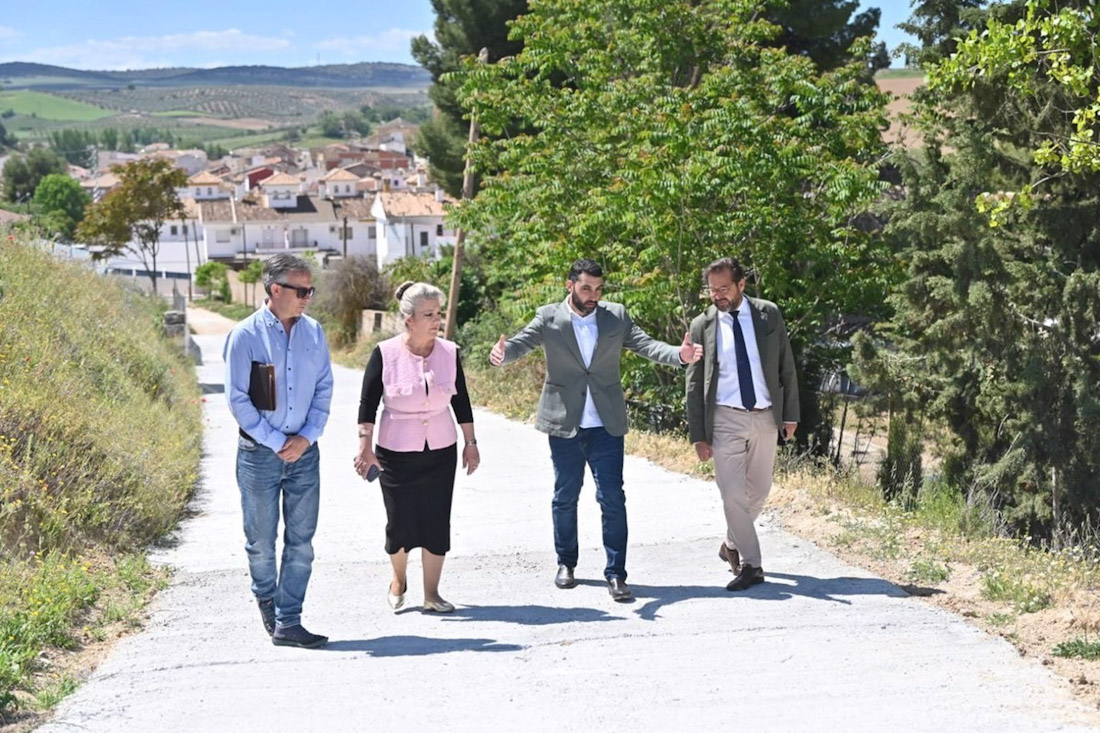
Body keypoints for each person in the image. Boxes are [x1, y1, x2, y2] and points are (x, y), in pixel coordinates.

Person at [489, 258, 702, 602]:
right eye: (586, 288)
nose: (593, 295)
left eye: (598, 289)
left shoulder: (615, 316)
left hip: (606, 424)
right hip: (565, 423)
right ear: (570, 285)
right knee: (565, 496)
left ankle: (616, 574)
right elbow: (519, 344)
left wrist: (680, 354)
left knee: (612, 498)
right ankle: (566, 563)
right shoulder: (549, 317)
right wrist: (501, 354)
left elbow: (646, 344)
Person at [224, 253, 333, 648]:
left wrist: (306, 437)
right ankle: (267, 599)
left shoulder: (314, 332)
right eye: (301, 291)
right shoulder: (245, 335)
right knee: (261, 540)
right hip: (259, 455)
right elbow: (238, 399)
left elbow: (324, 388)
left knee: (302, 542)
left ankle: (289, 620)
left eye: (310, 291)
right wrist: (275, 442)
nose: (307, 298)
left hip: (304, 454)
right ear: (275, 289)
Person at [354, 281, 479, 614]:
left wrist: (471, 443)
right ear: (409, 319)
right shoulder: (385, 353)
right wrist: (364, 446)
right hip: (394, 452)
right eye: (429, 314)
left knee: (437, 521)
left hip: (441, 449)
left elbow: (462, 401)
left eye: (438, 313)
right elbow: (368, 403)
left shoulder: (450, 352)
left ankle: (432, 594)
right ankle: (398, 580)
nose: (437, 320)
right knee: (400, 522)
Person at [685, 257, 799, 591]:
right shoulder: (702, 325)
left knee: (759, 492)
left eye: (724, 288)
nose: (717, 295)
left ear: (741, 285)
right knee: (733, 494)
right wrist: (698, 435)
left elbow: (786, 364)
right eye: (712, 290)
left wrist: (790, 414)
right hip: (724, 418)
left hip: (765, 415)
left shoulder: (768, 314)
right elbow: (694, 383)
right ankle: (752, 565)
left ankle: (731, 543)